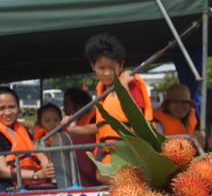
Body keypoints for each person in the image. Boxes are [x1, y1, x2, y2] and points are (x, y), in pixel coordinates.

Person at [82, 33, 153, 178]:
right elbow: (103, 125)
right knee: (100, 176)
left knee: (101, 176)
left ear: (121, 64)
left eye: (112, 67)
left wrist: (124, 85)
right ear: (92, 66)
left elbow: (138, 119)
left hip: (133, 154)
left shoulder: (131, 84)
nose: (107, 73)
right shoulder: (102, 90)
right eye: (101, 68)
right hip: (110, 156)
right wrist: (74, 128)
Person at [0, 86, 53, 187]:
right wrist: (37, 175)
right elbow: (2, 171)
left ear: (18, 107)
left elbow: (36, 151)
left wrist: (48, 168)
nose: (8, 112)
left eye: (12, 107)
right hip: (4, 185)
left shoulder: (21, 128)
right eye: (1, 108)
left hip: (29, 181)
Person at [64, 86, 104, 187]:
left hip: (97, 164)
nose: (64, 109)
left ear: (80, 107)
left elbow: (101, 127)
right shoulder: (70, 122)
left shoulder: (94, 119)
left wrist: (75, 129)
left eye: (67, 105)